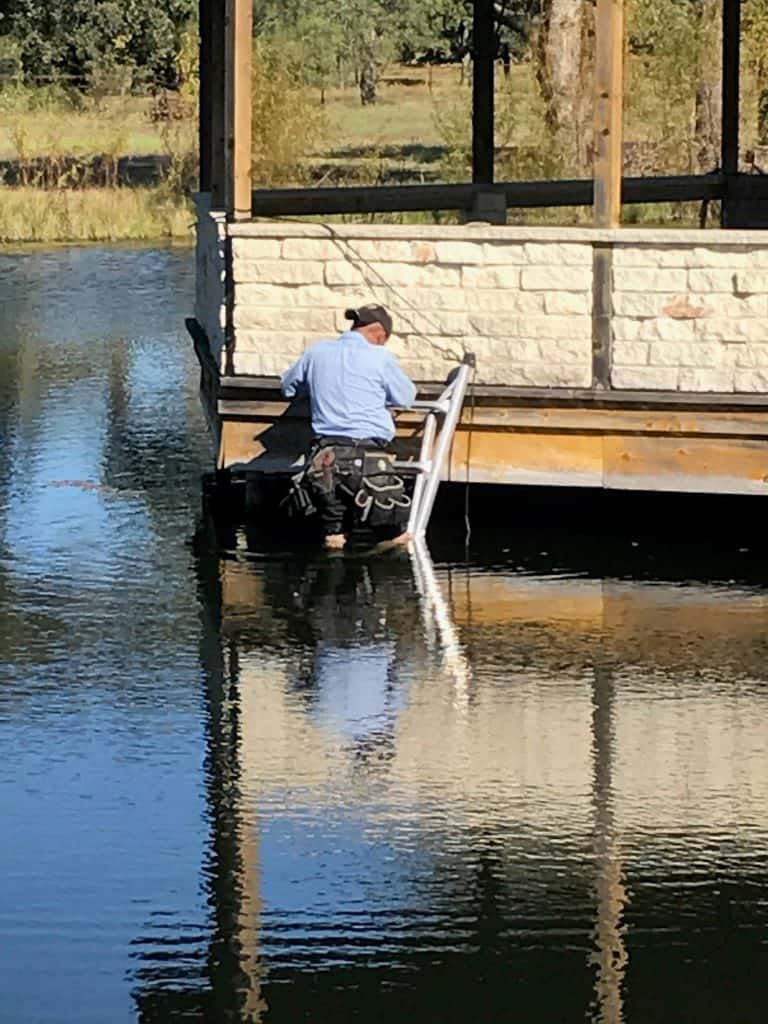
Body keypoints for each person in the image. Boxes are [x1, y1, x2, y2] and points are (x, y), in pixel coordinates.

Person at [281, 304, 417, 550]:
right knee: (393, 533)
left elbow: (288, 388)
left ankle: (331, 579)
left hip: (327, 458)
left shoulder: (316, 353)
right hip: (371, 459)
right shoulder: (380, 356)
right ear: (380, 335)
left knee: (333, 535)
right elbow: (406, 397)